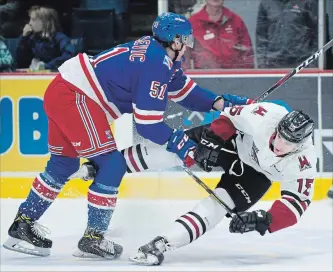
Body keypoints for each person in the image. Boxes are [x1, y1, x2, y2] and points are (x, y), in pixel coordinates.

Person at [2, 12, 249, 260]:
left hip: (64, 91)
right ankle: (93, 238)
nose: (187, 45)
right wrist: (181, 144)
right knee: (112, 163)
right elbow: (147, 124)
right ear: (174, 41)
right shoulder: (156, 63)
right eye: (185, 39)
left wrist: (219, 103)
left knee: (63, 164)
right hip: (76, 98)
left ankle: (22, 224)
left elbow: (182, 90)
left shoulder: (159, 55)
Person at [127, 102, 317, 265]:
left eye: (289, 143)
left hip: (255, 177)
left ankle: (161, 243)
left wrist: (263, 219)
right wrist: (213, 139)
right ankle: (110, 165)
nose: (280, 144)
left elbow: (296, 204)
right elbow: (229, 118)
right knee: (179, 150)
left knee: (217, 205)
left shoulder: (304, 161)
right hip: (232, 143)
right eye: (280, 135)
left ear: (300, 144)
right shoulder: (266, 115)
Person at [184, 0, 254, 69]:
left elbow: (248, 55)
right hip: (205, 76)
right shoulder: (192, 24)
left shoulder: (236, 21)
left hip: (234, 76)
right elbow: (184, 57)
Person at [255, 0, 318, 68]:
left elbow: (318, 35)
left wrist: (313, 64)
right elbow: (261, 36)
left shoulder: (308, 2)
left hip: (301, 62)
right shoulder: (266, 3)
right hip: (273, 63)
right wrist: (261, 63)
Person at [16, 5, 75, 71]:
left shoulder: (60, 38)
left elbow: (69, 56)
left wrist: (47, 66)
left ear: (45, 22)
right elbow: (20, 61)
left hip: (55, 73)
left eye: (33, 20)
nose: (30, 23)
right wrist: (24, 37)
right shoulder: (31, 38)